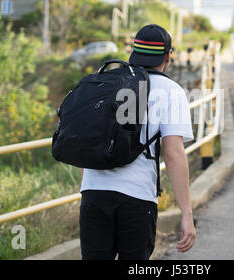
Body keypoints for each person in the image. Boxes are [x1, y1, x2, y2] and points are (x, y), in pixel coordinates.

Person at [79, 24, 196, 260]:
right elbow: (173, 153)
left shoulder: (104, 81)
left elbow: (88, 138)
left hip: (94, 194)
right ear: (168, 56)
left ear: (133, 52)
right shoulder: (171, 91)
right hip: (136, 198)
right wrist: (187, 212)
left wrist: (89, 189)